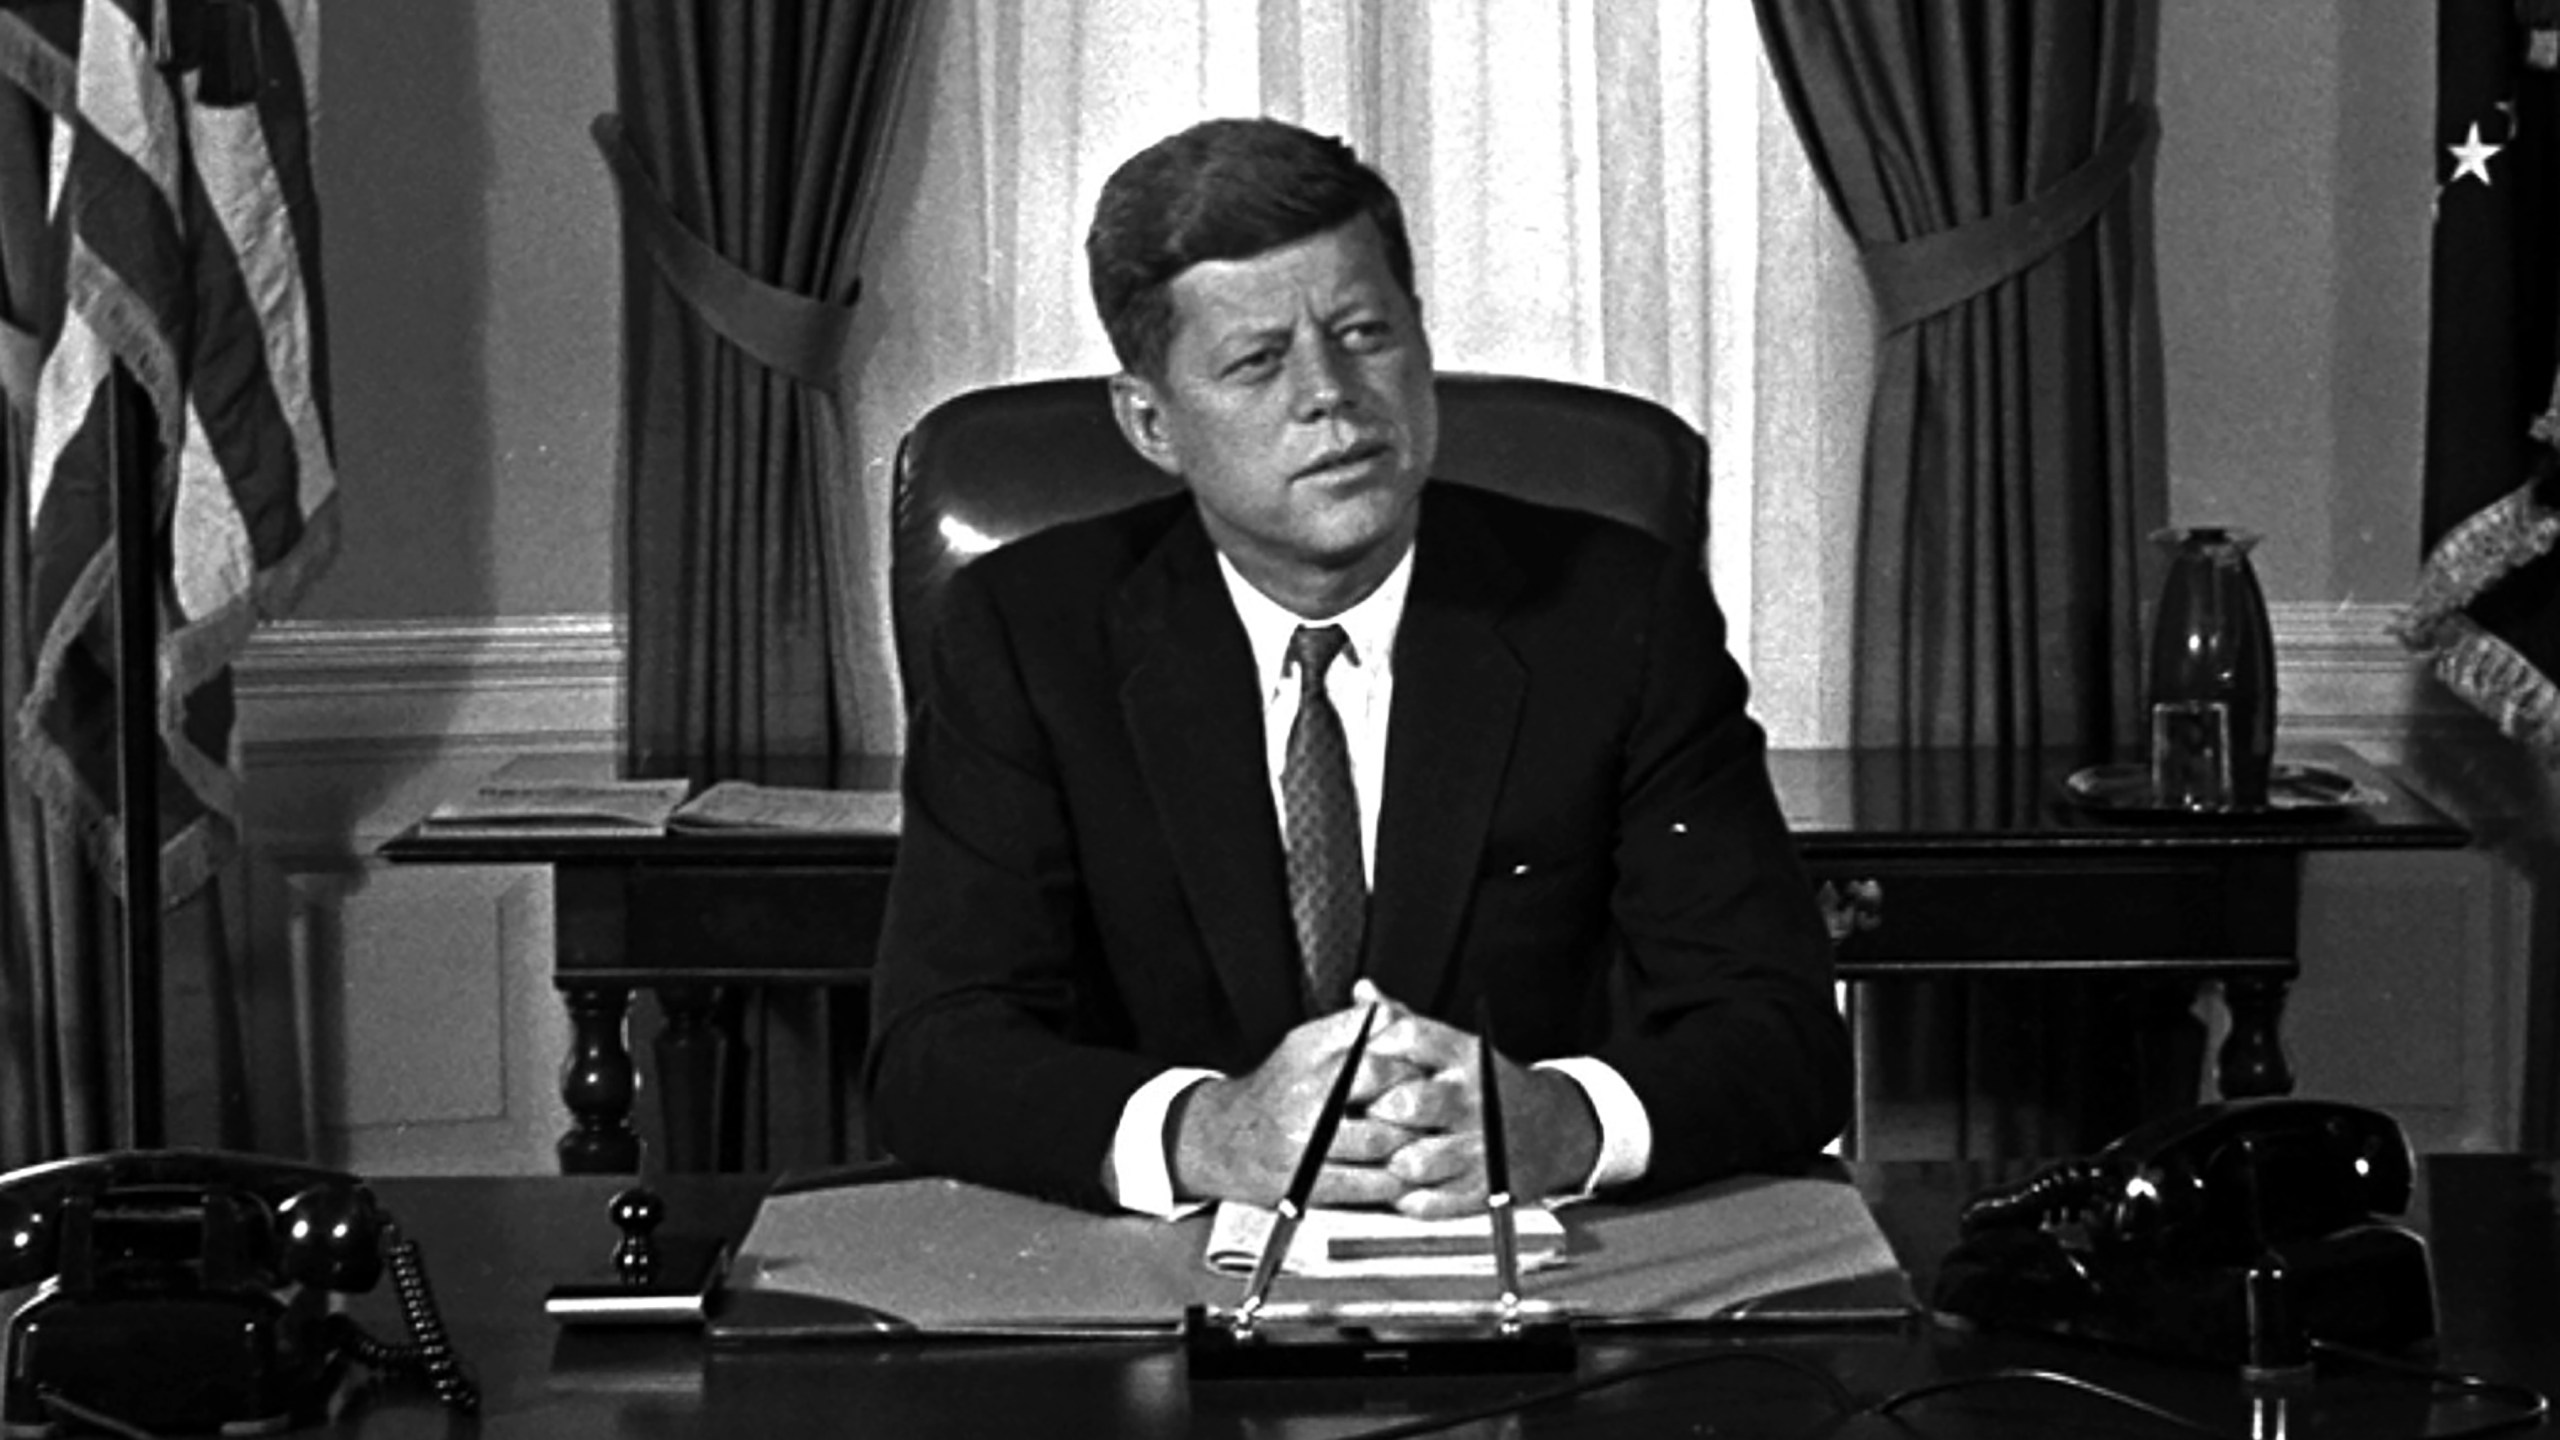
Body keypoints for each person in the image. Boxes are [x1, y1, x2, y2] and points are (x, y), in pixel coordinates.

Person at [866, 116, 1850, 1218]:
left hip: (1529, 1280)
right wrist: (1206, 1134)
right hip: (1161, 1301)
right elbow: (934, 1051)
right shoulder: (1028, 631)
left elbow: (1783, 1033)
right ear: (1149, 421)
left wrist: (1559, 1123)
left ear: (1423, 343)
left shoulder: (1613, 610)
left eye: (1364, 332)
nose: (1330, 393)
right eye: (1255, 362)